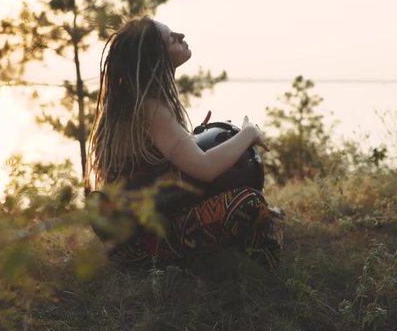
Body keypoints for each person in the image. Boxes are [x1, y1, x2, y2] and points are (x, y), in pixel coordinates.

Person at [86, 16, 284, 271]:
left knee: (262, 212)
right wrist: (248, 133)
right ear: (154, 57)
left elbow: (158, 174)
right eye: (171, 38)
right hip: (146, 242)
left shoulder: (134, 106)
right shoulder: (151, 109)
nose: (180, 35)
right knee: (251, 203)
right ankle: (207, 264)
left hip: (133, 237)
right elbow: (205, 168)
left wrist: (191, 139)